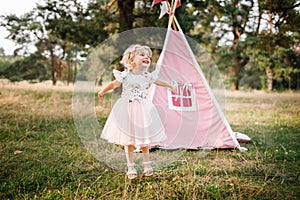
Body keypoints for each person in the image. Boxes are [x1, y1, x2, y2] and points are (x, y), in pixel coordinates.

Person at [98, 44, 175, 179]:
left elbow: (158, 81)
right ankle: (131, 166)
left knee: (144, 139)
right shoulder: (125, 75)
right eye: (142, 55)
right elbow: (114, 84)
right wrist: (103, 91)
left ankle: (147, 164)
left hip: (143, 109)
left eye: (148, 56)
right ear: (131, 59)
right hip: (127, 108)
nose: (146, 57)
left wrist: (170, 86)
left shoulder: (147, 76)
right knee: (128, 140)